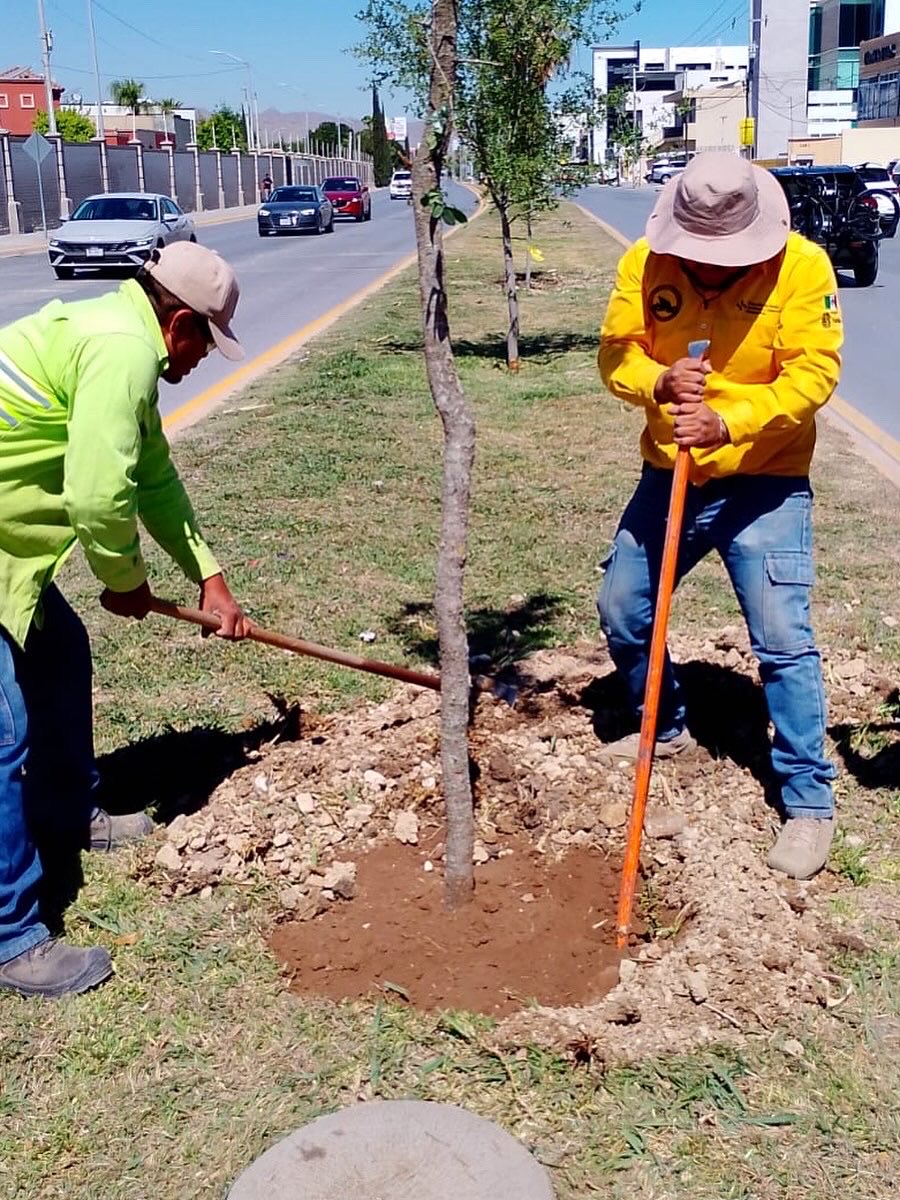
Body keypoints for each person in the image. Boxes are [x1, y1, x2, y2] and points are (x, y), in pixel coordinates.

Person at [0, 241, 251, 998]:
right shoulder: (122, 352)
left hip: (9, 550)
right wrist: (125, 582)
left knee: (60, 654)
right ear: (179, 323)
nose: (206, 357)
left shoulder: (123, 340)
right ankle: (13, 937)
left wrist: (209, 576)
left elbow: (152, 477)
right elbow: (100, 496)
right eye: (207, 340)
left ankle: (69, 810)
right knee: (5, 730)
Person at [597, 152, 843, 880]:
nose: (705, 270)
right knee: (624, 607)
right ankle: (664, 724)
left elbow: (814, 373)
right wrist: (658, 381)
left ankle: (807, 802)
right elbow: (615, 354)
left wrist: (731, 423)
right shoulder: (645, 263)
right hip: (669, 474)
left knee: (781, 640)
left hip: (765, 482)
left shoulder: (802, 268)